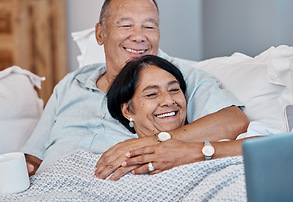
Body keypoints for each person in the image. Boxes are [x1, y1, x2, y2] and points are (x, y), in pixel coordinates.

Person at [23, 0, 249, 177]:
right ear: (100, 34)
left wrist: (156, 140)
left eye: (149, 26)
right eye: (126, 25)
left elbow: (233, 120)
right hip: (50, 189)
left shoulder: (177, 78)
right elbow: (34, 158)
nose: (139, 36)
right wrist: (24, 167)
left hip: (116, 193)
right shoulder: (71, 83)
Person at [102, 55, 250, 180]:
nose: (168, 101)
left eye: (174, 90)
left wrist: (195, 152)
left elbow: (269, 146)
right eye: (152, 94)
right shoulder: (115, 161)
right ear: (127, 110)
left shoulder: (219, 143)